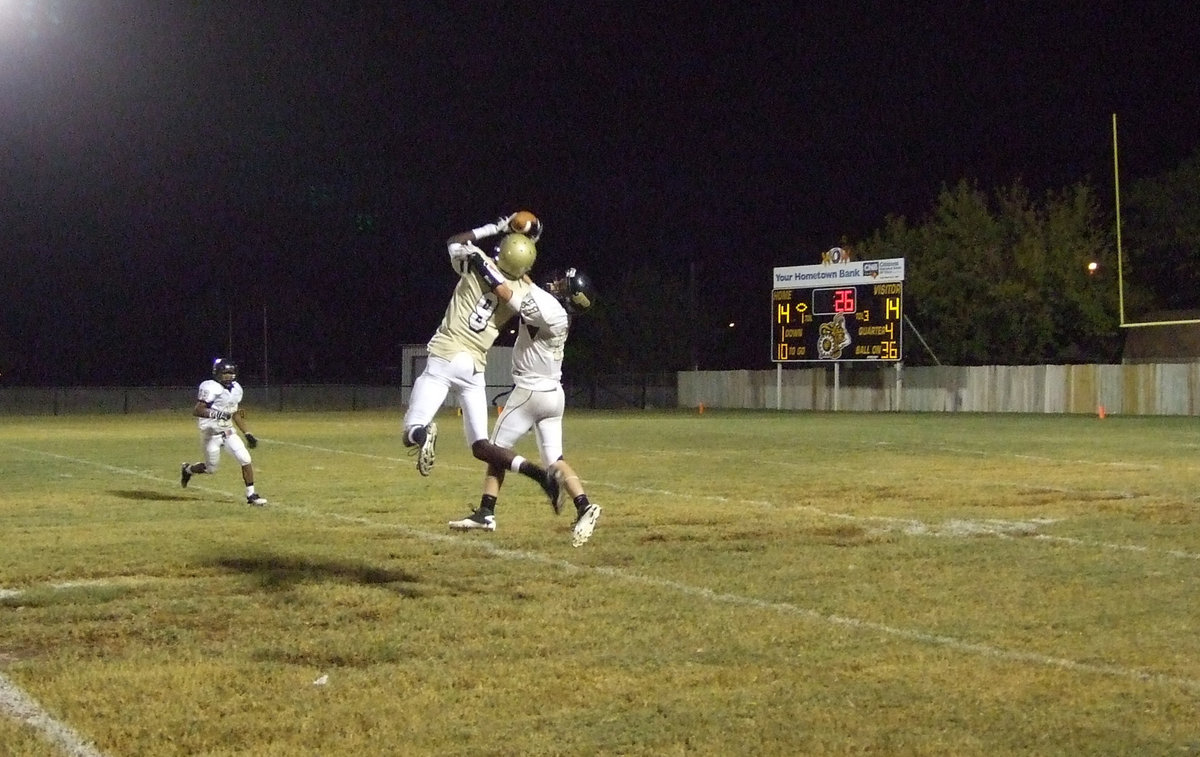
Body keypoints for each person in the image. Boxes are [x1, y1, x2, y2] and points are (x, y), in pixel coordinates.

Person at [401, 212, 558, 502]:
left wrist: (496, 227)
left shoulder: (478, 261)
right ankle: (538, 474)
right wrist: (529, 242)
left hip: (446, 354)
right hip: (474, 367)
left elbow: (454, 241)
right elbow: (522, 282)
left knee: (411, 430)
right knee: (481, 446)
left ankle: (423, 436)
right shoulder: (523, 293)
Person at [449, 267, 602, 547]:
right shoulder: (559, 313)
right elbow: (531, 289)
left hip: (530, 392)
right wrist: (520, 269)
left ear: (568, 295)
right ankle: (584, 505)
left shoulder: (549, 309)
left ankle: (486, 512)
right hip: (554, 394)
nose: (555, 283)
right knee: (555, 458)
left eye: (562, 284)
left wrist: (486, 268)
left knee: (494, 451)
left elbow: (507, 294)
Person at [180, 358, 267, 506]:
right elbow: (197, 410)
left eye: (231, 373)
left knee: (245, 459)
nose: (229, 376)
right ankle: (188, 469)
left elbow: (235, 413)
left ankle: (251, 495)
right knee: (211, 468)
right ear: (217, 373)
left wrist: (247, 433)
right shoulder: (211, 387)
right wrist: (218, 414)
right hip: (211, 435)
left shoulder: (237, 389)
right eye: (225, 373)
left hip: (228, 432)